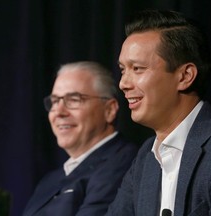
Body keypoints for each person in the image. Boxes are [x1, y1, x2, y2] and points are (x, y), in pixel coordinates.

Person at [106, 10, 211, 216]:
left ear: (185, 76)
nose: (123, 84)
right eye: (123, 70)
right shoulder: (146, 156)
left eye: (137, 68)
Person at [23, 61, 138, 216]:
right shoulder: (50, 179)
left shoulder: (124, 163)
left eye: (73, 100)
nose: (59, 112)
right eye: (55, 101)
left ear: (109, 110)